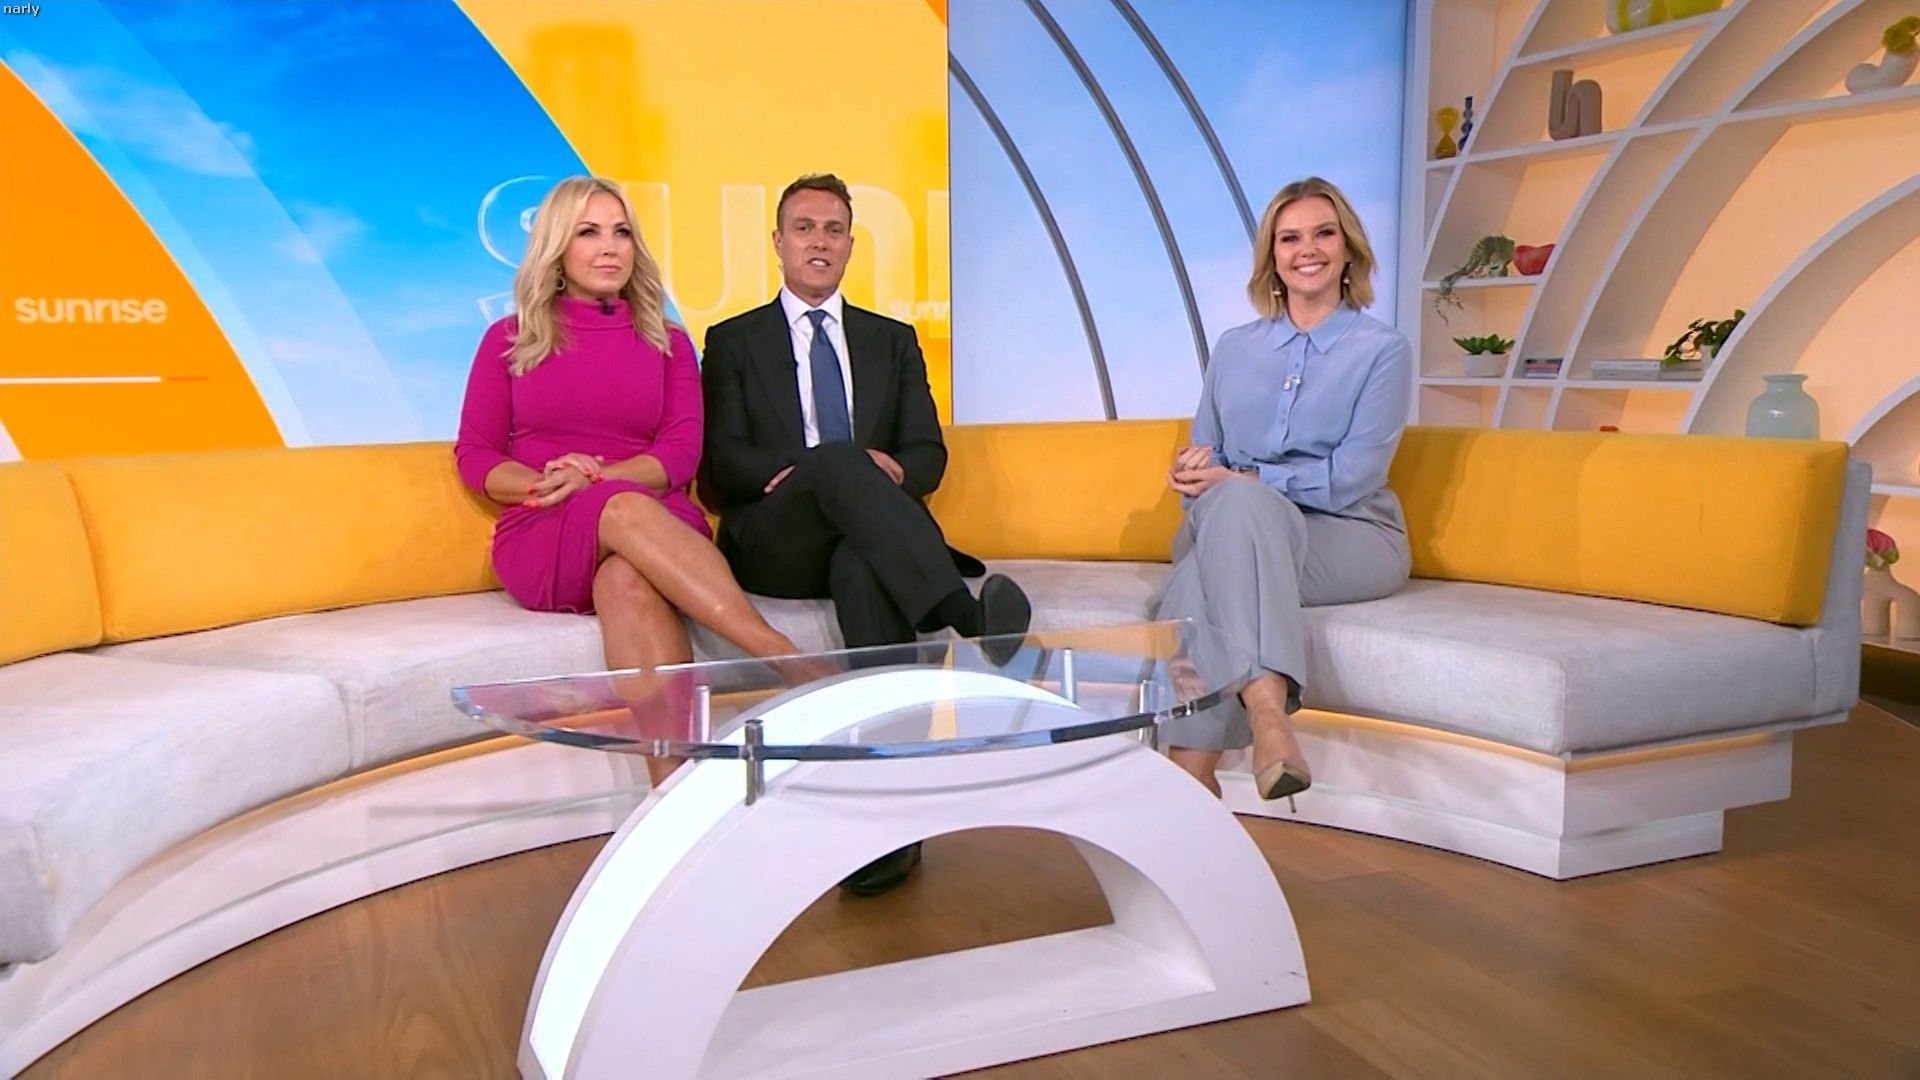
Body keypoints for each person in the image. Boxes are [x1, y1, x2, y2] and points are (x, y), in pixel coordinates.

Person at [699, 172, 1032, 894]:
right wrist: (822, 470)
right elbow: (719, 462)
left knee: (862, 563)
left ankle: (890, 823)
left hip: (866, 540)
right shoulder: (732, 341)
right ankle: (965, 614)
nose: (819, 242)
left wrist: (887, 470)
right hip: (776, 539)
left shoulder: (892, 340)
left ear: (850, 244)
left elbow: (926, 456)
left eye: (834, 229)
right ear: (778, 242)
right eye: (804, 228)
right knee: (839, 459)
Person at [455, 176, 806, 787]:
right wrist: (550, 483)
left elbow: (680, 453)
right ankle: (785, 658)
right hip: (546, 525)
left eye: (621, 232)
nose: (609, 247)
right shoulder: (508, 340)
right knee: (616, 506)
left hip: (655, 516)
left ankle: (671, 795)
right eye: (589, 233)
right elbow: (477, 454)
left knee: (626, 579)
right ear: (557, 247)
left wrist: (598, 477)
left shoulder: (668, 342)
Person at [1154, 176, 1413, 802]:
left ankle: (1190, 775)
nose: (1308, 250)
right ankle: (1269, 716)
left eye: (1324, 233)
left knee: (1199, 581)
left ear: (1348, 248)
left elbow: (1354, 476)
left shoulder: (1382, 350)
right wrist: (1191, 472)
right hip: (1234, 522)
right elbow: (1207, 451)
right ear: (1272, 256)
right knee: (1235, 516)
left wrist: (1245, 482)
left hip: (1348, 533)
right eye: (1289, 238)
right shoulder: (1233, 349)